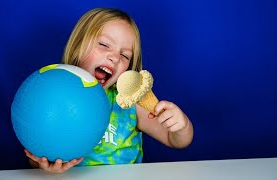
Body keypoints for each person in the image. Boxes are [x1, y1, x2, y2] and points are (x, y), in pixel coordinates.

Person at [24, 7, 194, 173]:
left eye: (125, 55)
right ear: (78, 45)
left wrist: (181, 126)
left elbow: (176, 140)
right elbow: (36, 155)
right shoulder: (54, 96)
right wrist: (42, 165)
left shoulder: (130, 104)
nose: (114, 57)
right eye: (104, 45)